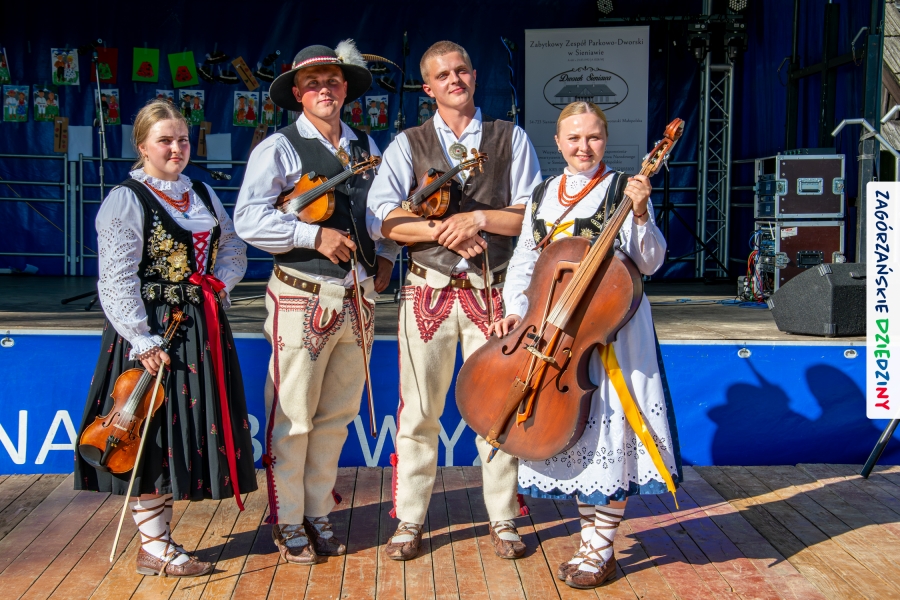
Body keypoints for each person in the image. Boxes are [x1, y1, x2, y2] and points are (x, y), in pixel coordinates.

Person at [492, 101, 682, 589]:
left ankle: (600, 549)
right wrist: (516, 309)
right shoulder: (542, 193)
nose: (583, 147)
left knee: (608, 439)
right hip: (554, 330)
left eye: (593, 137)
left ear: (605, 139)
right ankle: (588, 542)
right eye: (573, 138)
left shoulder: (624, 188)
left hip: (609, 331)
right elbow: (525, 260)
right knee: (575, 435)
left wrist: (640, 212)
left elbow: (650, 261)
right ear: (558, 143)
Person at [367, 40, 542, 561]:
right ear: (428, 87)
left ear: (474, 74)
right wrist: (444, 230)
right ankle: (409, 519)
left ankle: (504, 517)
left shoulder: (510, 137)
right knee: (419, 412)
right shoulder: (408, 143)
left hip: (495, 293)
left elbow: (533, 217)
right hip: (428, 290)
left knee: (498, 408)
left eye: (461, 70)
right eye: (442, 75)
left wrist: (479, 219)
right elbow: (382, 217)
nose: (454, 80)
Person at [74, 99, 258, 578]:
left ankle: (158, 541)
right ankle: (154, 547)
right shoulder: (126, 198)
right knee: (149, 429)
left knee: (178, 430)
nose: (176, 148)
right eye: (165, 141)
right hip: (152, 326)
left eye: (182, 140)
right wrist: (143, 338)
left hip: (199, 326)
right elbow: (116, 278)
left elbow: (232, 245)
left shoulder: (201, 192)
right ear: (142, 146)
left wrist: (217, 284)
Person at [234, 40, 397, 566]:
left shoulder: (366, 143)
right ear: (298, 94)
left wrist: (387, 253)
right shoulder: (279, 148)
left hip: (358, 297)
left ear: (345, 88)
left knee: (336, 416)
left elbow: (382, 212)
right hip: (302, 295)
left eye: (332, 80)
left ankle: (317, 509)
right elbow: (248, 220)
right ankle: (287, 519)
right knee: (294, 416)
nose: (324, 89)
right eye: (313, 83)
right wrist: (313, 236)